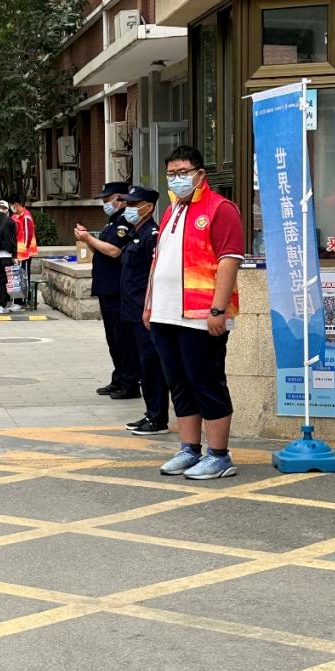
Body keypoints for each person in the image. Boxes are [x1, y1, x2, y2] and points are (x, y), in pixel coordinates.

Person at [144, 146, 244, 480]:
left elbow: (229, 260)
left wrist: (218, 309)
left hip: (201, 316)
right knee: (179, 384)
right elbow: (158, 261)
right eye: (171, 173)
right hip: (165, 314)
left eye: (183, 172)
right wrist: (149, 305)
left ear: (200, 174)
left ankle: (219, 455)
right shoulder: (171, 209)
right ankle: (189, 449)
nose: (177, 179)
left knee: (207, 382)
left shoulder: (220, 209)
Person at [75, 181, 140, 400]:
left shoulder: (124, 222)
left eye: (107, 199)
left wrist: (88, 238)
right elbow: (101, 249)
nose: (105, 204)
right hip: (107, 289)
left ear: (120, 198)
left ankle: (130, 382)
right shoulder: (112, 222)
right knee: (113, 338)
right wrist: (87, 239)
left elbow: (114, 251)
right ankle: (119, 377)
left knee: (122, 338)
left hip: (118, 289)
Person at [117, 186, 170, 436]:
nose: (128, 209)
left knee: (152, 365)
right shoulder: (136, 233)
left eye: (133, 204)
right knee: (142, 364)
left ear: (148, 207)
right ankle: (150, 413)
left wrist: (149, 308)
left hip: (144, 312)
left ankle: (158, 418)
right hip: (131, 310)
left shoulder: (152, 235)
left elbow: (154, 276)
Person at [9, 195, 38, 312]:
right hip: (18, 252)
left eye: (11, 206)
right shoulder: (16, 216)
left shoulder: (26, 217)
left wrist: (22, 252)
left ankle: (21, 302)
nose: (11, 208)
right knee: (18, 275)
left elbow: (27, 236)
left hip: (24, 253)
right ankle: (19, 300)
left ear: (16, 204)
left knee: (22, 276)